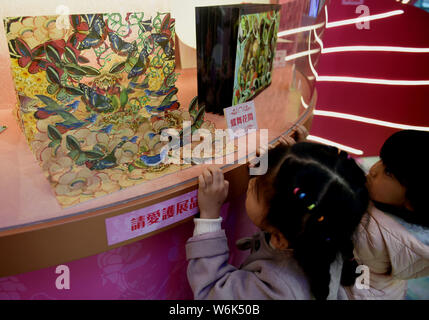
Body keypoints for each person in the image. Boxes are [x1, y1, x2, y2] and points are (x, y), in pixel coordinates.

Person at [185, 134, 369, 300]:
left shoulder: (275, 290)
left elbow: (211, 292)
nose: (252, 182)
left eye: (257, 187)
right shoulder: (324, 233)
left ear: (280, 238)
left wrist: (209, 215)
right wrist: (288, 163)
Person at [345, 130, 429, 299]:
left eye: (388, 172)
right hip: (388, 290)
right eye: (381, 161)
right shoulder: (417, 218)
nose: (374, 169)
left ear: (412, 201)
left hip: (355, 292)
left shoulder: (369, 233)